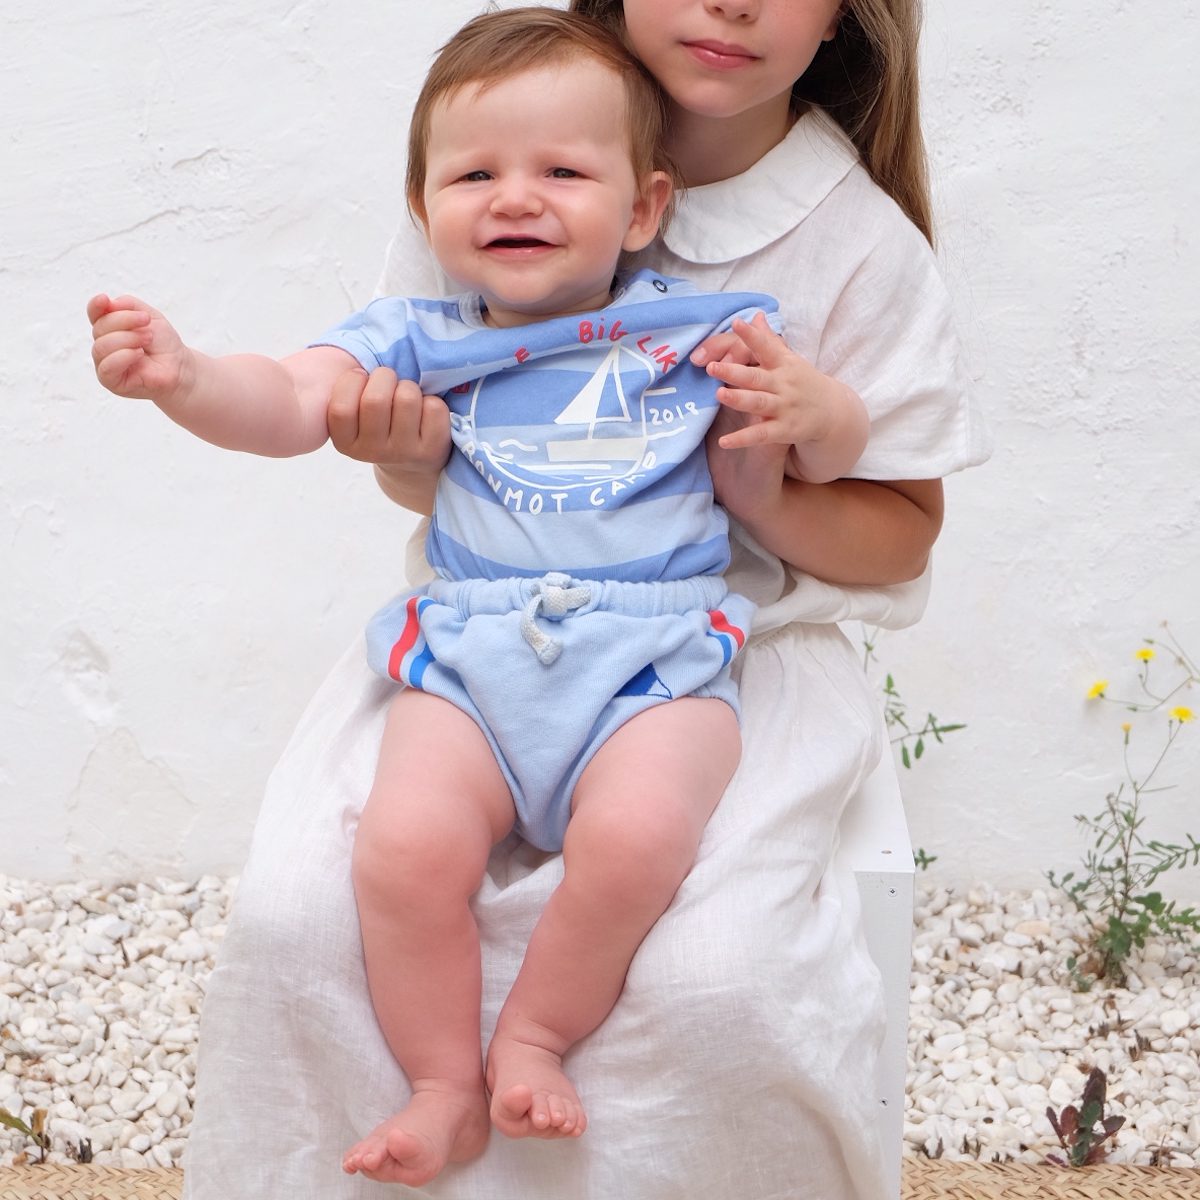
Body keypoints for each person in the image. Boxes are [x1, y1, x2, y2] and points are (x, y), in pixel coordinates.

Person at [179, 2, 990, 1198]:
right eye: (479, 180)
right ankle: (434, 1095)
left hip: (707, 649)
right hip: (478, 634)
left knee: (718, 976)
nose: (732, 2)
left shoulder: (832, 258)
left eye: (565, 175)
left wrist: (788, 461)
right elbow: (368, 430)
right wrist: (294, 414)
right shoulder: (493, 153)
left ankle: (544, 1052)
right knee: (312, 910)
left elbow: (900, 526)